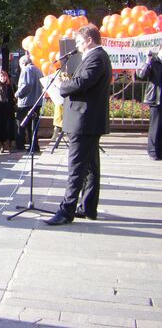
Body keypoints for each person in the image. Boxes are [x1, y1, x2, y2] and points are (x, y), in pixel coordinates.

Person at [44, 24, 112, 226]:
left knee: (75, 168)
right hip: (87, 121)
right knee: (90, 167)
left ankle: (67, 211)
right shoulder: (96, 56)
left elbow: (83, 83)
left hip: (85, 121)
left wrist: (61, 86)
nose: (78, 46)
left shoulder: (97, 57)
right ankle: (88, 207)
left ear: (89, 40)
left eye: (80, 42)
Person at [15, 54, 44, 152]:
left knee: (21, 124)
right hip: (37, 101)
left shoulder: (27, 69)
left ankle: (20, 145)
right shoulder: (38, 70)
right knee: (33, 126)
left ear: (23, 63)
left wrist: (17, 94)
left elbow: (27, 85)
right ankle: (34, 146)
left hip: (26, 102)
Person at [138, 47, 162, 160]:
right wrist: (148, 61)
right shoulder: (154, 60)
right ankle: (153, 151)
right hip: (156, 98)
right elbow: (142, 75)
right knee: (155, 126)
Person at [0, 70, 16, 153]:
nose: (3, 78)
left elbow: (14, 97)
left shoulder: (11, 86)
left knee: (9, 128)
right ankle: (2, 146)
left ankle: (9, 145)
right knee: (0, 129)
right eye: (1, 76)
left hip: (9, 110)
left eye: (4, 76)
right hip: (0, 111)